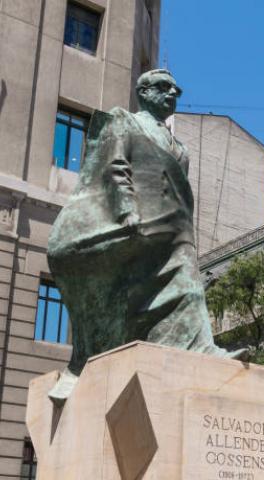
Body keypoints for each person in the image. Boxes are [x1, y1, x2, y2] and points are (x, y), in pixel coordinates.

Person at [47, 69, 245, 404]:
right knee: (125, 293)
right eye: (164, 88)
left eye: (176, 90)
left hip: (173, 228)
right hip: (135, 221)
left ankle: (201, 347)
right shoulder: (125, 122)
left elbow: (180, 193)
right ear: (143, 92)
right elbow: (115, 167)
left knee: (189, 285)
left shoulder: (179, 148)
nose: (172, 94)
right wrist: (127, 210)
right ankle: (90, 354)